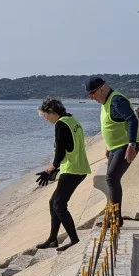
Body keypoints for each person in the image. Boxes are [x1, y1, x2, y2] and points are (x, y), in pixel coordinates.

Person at [35, 98, 92, 252]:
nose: (45, 119)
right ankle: (53, 239)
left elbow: (61, 150)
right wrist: (55, 168)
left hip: (72, 170)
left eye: (45, 116)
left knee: (59, 205)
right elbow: (70, 146)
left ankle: (74, 239)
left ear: (52, 112)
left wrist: (52, 168)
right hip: (79, 168)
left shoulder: (61, 124)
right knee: (53, 202)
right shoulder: (72, 120)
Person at [85, 77, 139, 226]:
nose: (92, 98)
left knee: (111, 178)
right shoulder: (105, 103)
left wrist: (131, 145)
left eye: (92, 94)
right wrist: (108, 146)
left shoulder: (117, 100)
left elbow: (132, 120)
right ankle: (113, 216)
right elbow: (111, 125)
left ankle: (115, 219)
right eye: (89, 95)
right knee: (110, 180)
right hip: (115, 147)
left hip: (126, 145)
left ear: (102, 89)